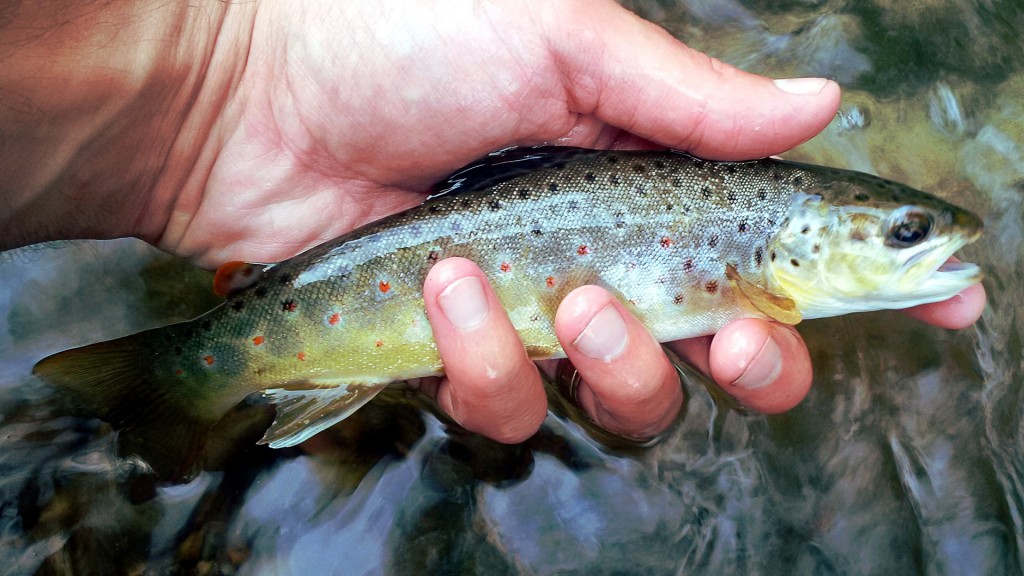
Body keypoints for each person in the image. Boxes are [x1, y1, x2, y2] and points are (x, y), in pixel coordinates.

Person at [0, 1, 985, 444]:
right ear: (799, 242)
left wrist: (225, 56)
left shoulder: (766, 255)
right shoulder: (759, 266)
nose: (941, 247)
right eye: (905, 233)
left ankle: (195, 380)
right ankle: (187, 380)